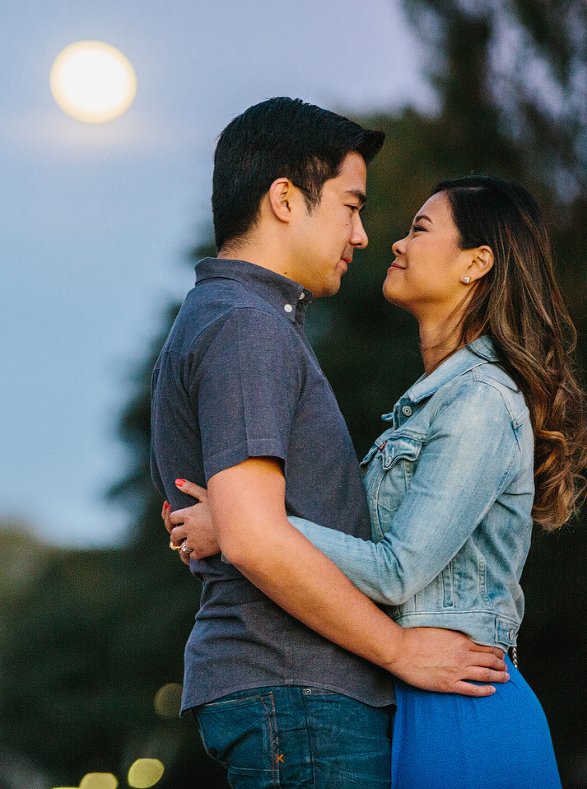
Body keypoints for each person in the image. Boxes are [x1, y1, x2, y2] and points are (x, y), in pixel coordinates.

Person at [167, 175, 587, 787]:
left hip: (462, 707)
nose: (394, 244)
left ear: (477, 263)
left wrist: (248, 524)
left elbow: (398, 571)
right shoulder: (429, 404)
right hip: (421, 693)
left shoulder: (478, 401)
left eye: (420, 230)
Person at [149, 97, 511, 789]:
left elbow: (246, 527)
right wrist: (398, 648)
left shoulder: (238, 321)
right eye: (350, 205)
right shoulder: (244, 326)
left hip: (298, 692)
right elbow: (254, 538)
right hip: (299, 691)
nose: (363, 233)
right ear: (284, 198)